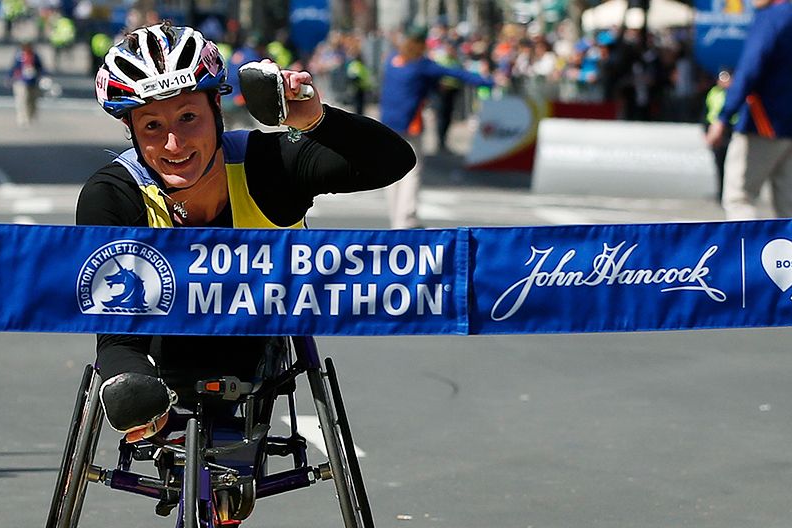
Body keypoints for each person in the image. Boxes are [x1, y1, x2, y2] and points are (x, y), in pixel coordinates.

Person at [80, 22, 413, 472]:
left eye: (188, 118)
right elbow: (116, 331)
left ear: (217, 107)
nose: (174, 144)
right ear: (131, 130)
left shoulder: (268, 162)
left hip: (260, 336)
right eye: (153, 126)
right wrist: (128, 382)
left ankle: (232, 461)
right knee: (129, 383)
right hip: (162, 345)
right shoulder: (112, 194)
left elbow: (394, 161)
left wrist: (315, 120)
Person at [705, 0, 792, 220]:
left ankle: (745, 253)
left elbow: (750, 68)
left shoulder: (770, 18)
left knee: (740, 197)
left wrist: (723, 116)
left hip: (764, 124)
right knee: (789, 205)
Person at [378, 26, 492, 229]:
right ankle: (406, 218)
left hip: (386, 123)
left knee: (389, 170)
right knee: (412, 170)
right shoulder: (421, 64)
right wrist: (486, 81)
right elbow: (454, 73)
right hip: (409, 123)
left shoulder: (392, 61)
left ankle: (394, 217)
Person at [703, 68, 734, 201]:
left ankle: (729, 192)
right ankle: (721, 192)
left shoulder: (734, 93)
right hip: (716, 131)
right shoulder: (713, 93)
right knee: (719, 164)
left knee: (732, 165)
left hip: (730, 131)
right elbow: (706, 113)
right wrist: (706, 131)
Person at [8, 41, 45, 128]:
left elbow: (41, 68)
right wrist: (9, 77)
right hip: (20, 81)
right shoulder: (19, 56)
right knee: (21, 100)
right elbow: (14, 68)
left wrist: (42, 76)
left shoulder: (35, 56)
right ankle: (22, 118)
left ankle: (31, 115)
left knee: (32, 100)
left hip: (33, 81)